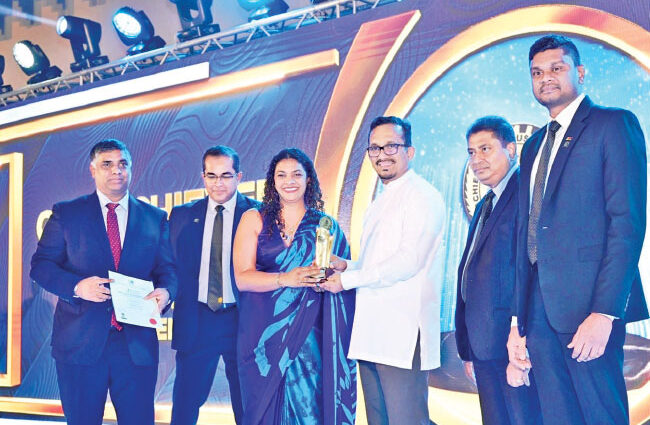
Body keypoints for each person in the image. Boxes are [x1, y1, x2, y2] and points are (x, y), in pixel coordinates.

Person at [507, 35, 648, 425]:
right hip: (538, 312)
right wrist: (518, 321)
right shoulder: (533, 145)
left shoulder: (613, 124)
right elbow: (526, 234)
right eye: (537, 72)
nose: (546, 78)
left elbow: (627, 224)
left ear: (580, 72)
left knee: (601, 415)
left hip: (589, 310)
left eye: (557, 68)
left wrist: (605, 312)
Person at [30, 139, 178, 425]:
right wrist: (77, 287)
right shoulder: (67, 213)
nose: (116, 171)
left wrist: (166, 292)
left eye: (123, 164)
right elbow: (41, 266)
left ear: (131, 169)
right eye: (107, 164)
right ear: (93, 170)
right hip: (80, 344)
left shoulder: (154, 218)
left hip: (135, 347)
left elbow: (168, 270)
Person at [321, 116, 445, 425]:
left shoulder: (422, 195)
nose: (382, 154)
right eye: (375, 148)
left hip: (402, 333)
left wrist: (347, 280)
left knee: (407, 420)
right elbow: (379, 263)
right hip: (372, 332)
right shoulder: (381, 199)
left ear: (409, 151)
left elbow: (409, 261)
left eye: (391, 146)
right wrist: (347, 265)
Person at [233, 148, 356, 425]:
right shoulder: (253, 218)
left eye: (297, 174)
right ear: (273, 181)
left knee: (308, 408)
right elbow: (242, 278)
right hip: (261, 338)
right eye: (282, 175)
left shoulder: (325, 225)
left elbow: (341, 282)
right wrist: (285, 278)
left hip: (309, 334)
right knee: (261, 412)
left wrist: (325, 282)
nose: (289, 181)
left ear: (308, 179)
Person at [455, 116, 541, 425]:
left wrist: (521, 338)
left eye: (485, 149)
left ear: (511, 150)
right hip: (482, 346)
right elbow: (471, 275)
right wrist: (468, 348)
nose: (477, 159)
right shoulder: (484, 204)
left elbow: (530, 270)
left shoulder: (526, 195)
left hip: (513, 343)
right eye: (471, 152)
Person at [169, 146, 259, 425]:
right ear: (203, 177)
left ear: (239, 176)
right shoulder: (182, 215)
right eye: (212, 176)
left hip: (242, 320)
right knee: (184, 406)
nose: (218, 183)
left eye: (226, 175)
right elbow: (169, 265)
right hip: (197, 320)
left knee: (248, 406)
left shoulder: (257, 213)